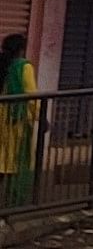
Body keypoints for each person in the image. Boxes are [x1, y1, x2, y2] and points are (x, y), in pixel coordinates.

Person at [0, 34, 37, 208]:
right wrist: (39, 116)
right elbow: (31, 95)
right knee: (15, 157)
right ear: (22, 49)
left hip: (2, 116)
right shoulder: (24, 67)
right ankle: (13, 201)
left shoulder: (3, 65)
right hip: (15, 118)